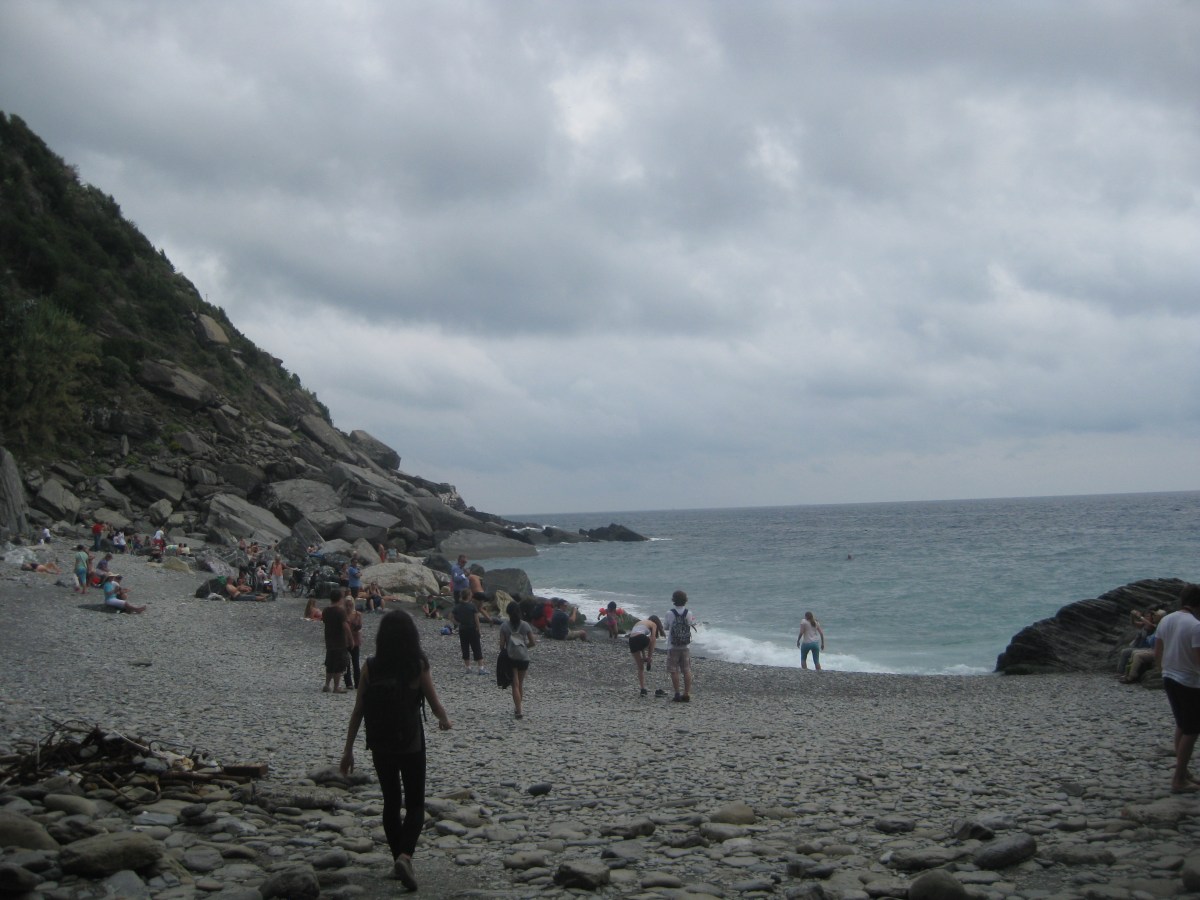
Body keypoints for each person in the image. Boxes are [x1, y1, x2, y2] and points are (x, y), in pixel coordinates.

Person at [340, 610, 451, 890]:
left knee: (391, 802)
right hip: (411, 743)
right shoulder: (418, 664)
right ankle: (405, 856)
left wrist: (348, 750)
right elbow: (434, 703)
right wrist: (445, 720)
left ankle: (396, 861)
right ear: (411, 637)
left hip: (380, 743)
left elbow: (358, 711)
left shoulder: (370, 666)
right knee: (415, 803)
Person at [1154, 584, 1200, 793]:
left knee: (1182, 724)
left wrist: (1162, 670)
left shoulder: (1166, 619)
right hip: (1188, 681)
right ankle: (1178, 778)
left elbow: (1158, 652)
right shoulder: (1195, 626)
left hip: (1168, 676)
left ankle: (1184, 771)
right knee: (1192, 729)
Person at [499, 602, 536, 719]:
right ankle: (518, 707)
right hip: (524, 658)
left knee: (514, 684)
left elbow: (501, 646)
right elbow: (533, 642)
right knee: (520, 683)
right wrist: (524, 646)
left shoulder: (504, 626)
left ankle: (519, 710)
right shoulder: (525, 625)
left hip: (511, 658)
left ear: (508, 613)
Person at [665, 590, 696, 703]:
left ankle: (677, 693)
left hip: (673, 646)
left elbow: (666, 627)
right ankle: (686, 693)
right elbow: (691, 624)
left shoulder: (670, 613)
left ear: (674, 600)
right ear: (685, 600)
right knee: (686, 670)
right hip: (685, 645)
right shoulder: (689, 613)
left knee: (674, 670)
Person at [323, 590, 353, 694]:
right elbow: (346, 626)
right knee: (339, 665)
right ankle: (336, 687)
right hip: (339, 641)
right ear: (340, 599)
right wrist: (351, 639)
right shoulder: (340, 612)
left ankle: (327, 685)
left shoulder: (326, 610)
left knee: (330, 664)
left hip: (329, 640)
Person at [452, 593, 487, 675]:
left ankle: (468, 668)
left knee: (465, 647)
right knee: (476, 647)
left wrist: (457, 623)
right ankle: (481, 668)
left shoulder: (458, 606)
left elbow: (450, 616)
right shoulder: (472, 606)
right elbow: (476, 619)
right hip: (472, 629)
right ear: (468, 596)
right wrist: (478, 629)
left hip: (462, 629)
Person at [628, 615, 663, 695]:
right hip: (640, 638)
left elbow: (641, 646)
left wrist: (644, 656)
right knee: (652, 640)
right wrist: (650, 657)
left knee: (640, 667)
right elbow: (653, 638)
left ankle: (643, 689)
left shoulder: (641, 622)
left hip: (631, 640)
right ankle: (649, 660)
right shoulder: (653, 624)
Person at [344, 593, 364, 690]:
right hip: (345, 641)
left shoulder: (357, 614)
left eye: (350, 605)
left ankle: (358, 682)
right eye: (346, 605)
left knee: (356, 663)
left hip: (355, 641)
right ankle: (348, 683)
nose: (348, 607)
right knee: (346, 662)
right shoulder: (342, 614)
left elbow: (360, 626)